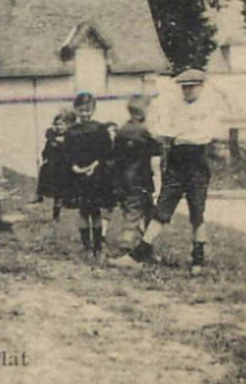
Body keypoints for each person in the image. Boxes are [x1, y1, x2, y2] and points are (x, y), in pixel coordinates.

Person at [118, 68, 228, 275]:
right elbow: (161, 130)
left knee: (197, 210)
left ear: (201, 87)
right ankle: (139, 254)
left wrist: (179, 134)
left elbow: (205, 134)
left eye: (191, 88)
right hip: (177, 159)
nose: (187, 92)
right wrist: (169, 135)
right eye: (184, 88)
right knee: (163, 207)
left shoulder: (209, 107)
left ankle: (198, 258)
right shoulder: (174, 106)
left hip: (196, 159)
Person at [61, 91, 115, 259]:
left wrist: (94, 166)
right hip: (77, 176)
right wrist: (74, 167)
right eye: (81, 110)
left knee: (96, 211)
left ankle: (98, 246)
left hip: (97, 175)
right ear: (76, 110)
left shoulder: (100, 129)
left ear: (93, 110)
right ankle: (85, 244)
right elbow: (67, 153)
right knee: (83, 211)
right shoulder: (71, 132)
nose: (85, 114)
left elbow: (106, 152)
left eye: (88, 110)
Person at [111, 95, 161, 254]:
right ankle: (126, 246)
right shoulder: (144, 131)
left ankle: (144, 248)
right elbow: (157, 149)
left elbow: (115, 155)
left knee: (135, 211)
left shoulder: (122, 130)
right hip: (140, 179)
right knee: (137, 214)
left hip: (123, 179)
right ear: (142, 113)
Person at [35, 109, 74, 223]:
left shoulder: (69, 137)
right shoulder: (51, 136)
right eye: (56, 124)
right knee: (43, 170)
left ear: (67, 125)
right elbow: (46, 149)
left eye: (61, 124)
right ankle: (39, 194)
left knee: (60, 194)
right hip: (53, 166)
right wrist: (45, 155)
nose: (59, 127)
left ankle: (57, 214)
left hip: (64, 167)